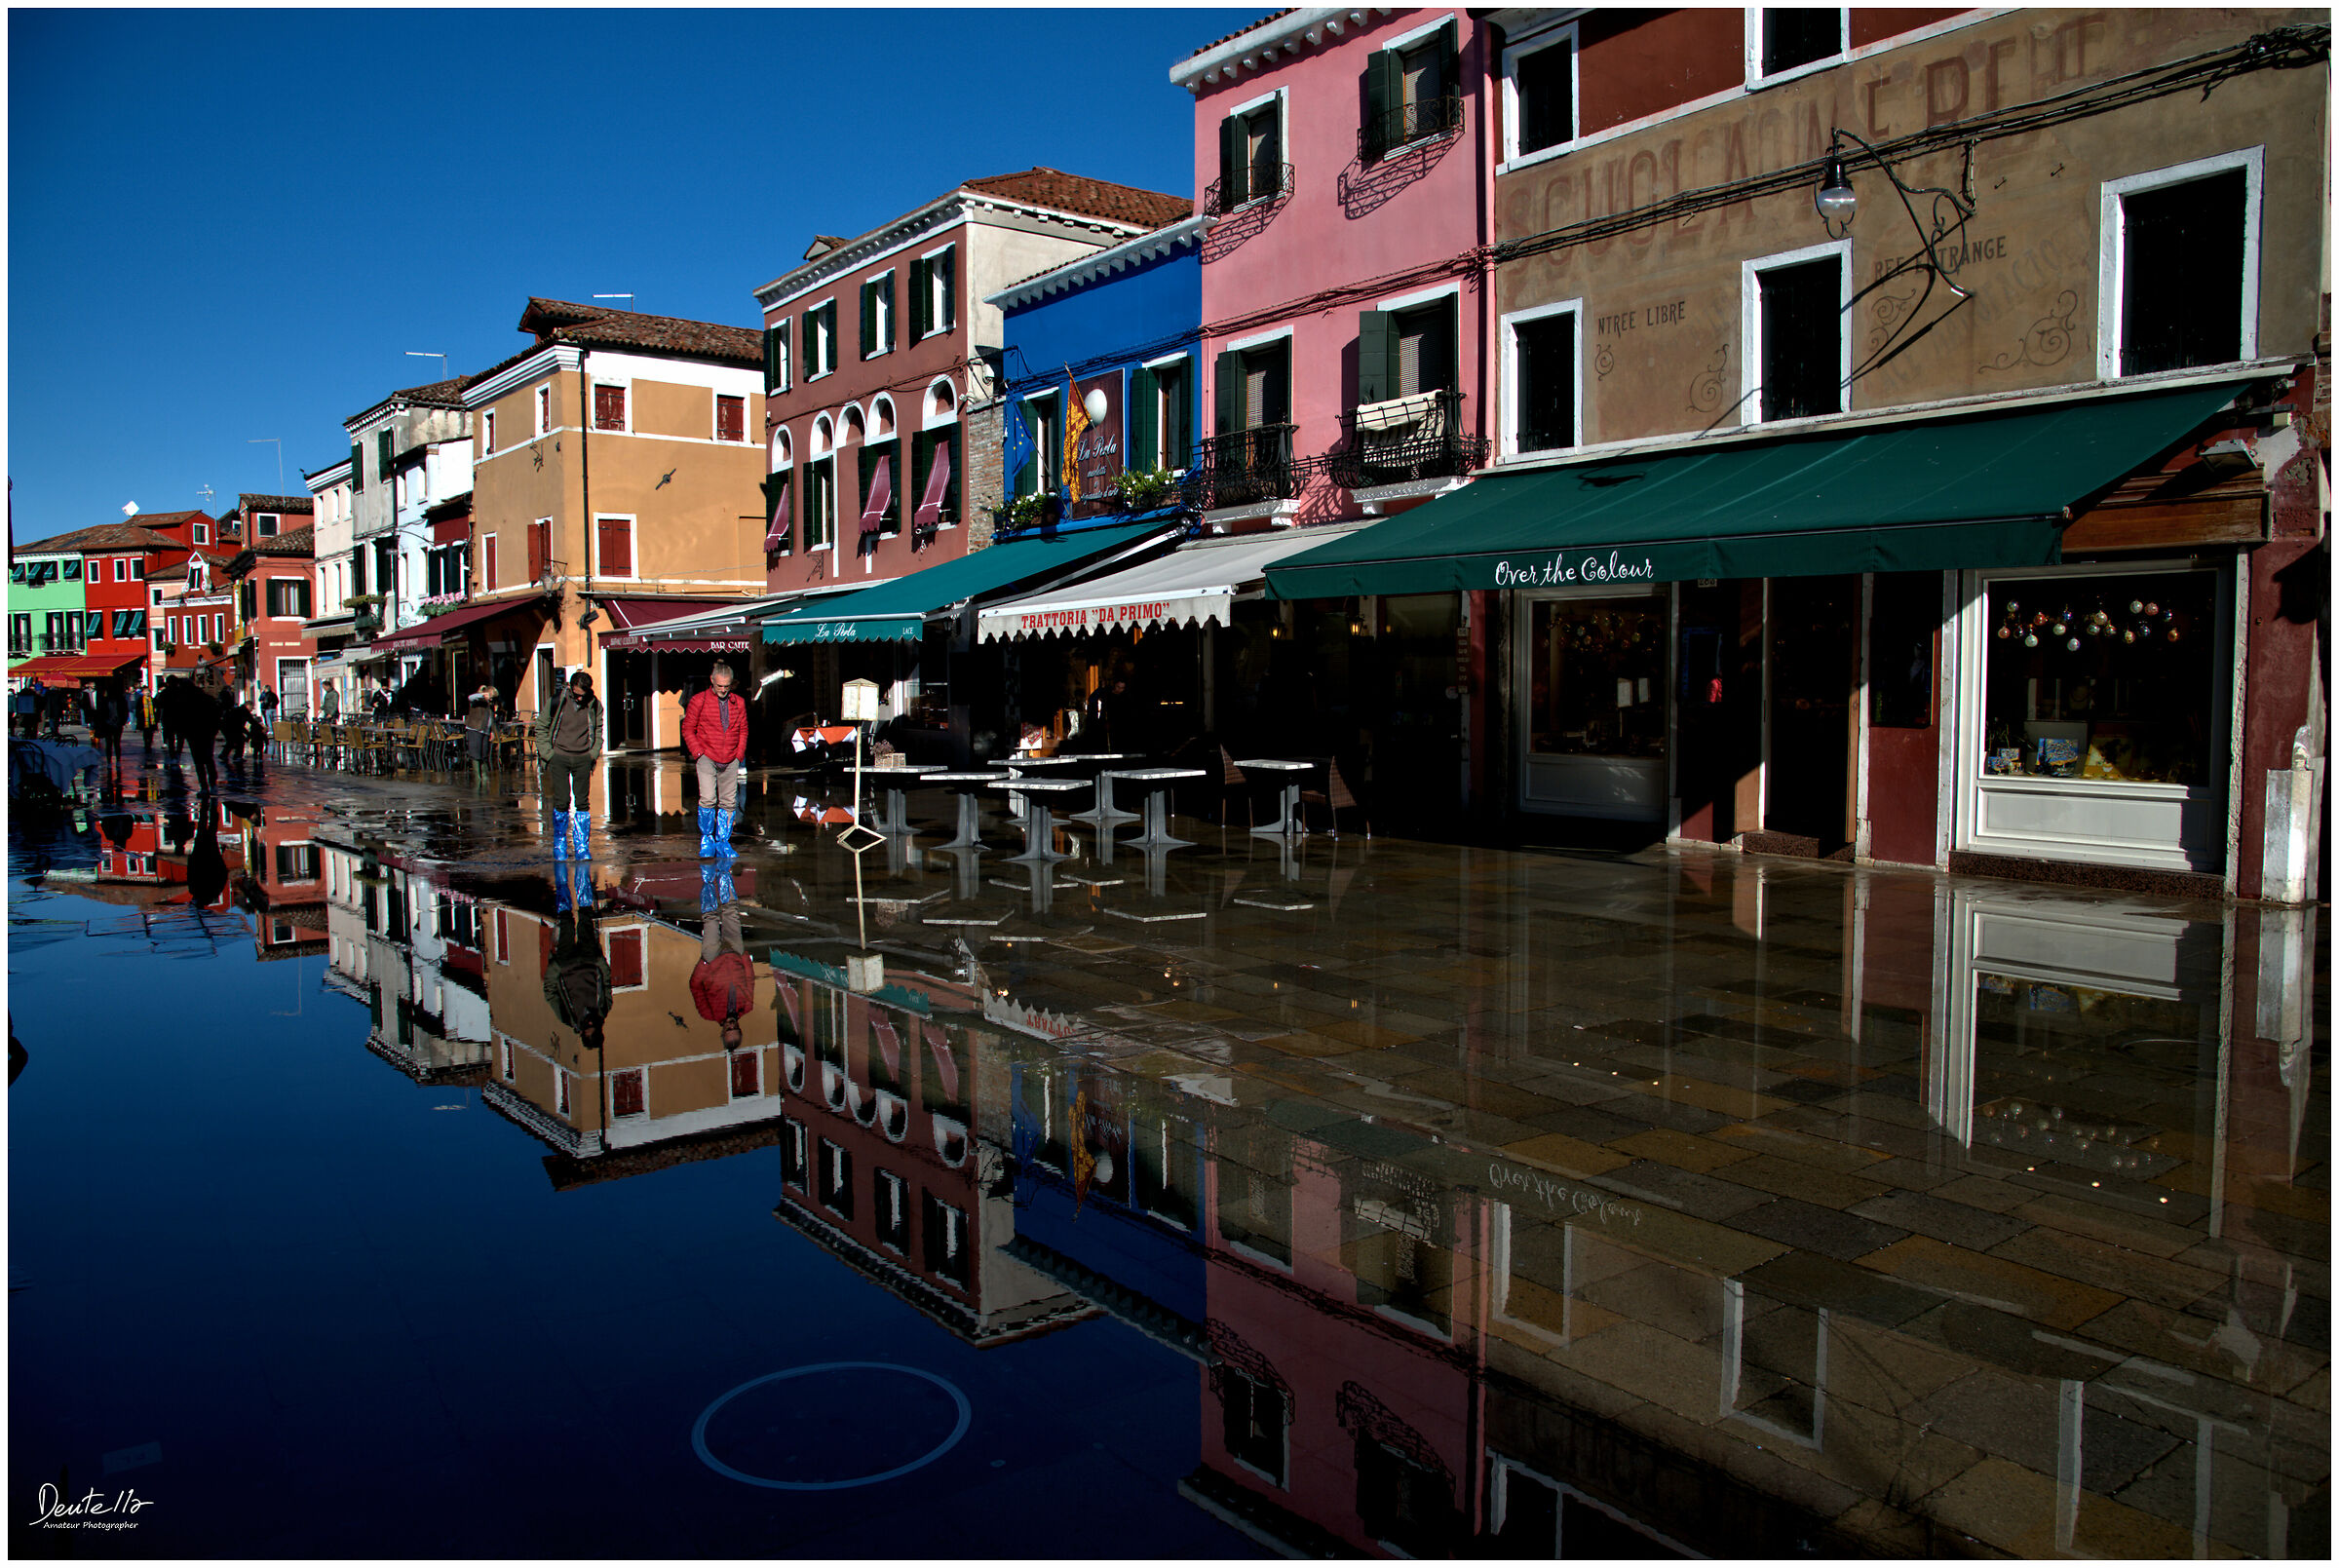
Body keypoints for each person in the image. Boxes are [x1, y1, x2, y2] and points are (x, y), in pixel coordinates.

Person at [681, 661, 750, 860]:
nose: (722, 690)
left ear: (732, 684)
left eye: (726, 686)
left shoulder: (738, 702)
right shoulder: (698, 700)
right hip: (707, 756)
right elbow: (688, 728)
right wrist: (698, 753)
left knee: (729, 802)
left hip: (731, 757)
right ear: (712, 681)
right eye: (719, 686)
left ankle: (723, 842)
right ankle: (706, 840)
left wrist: (739, 754)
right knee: (708, 799)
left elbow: (743, 730)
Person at [538, 669, 604, 859]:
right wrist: (548, 754)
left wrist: (593, 753)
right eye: (576, 695)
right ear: (570, 688)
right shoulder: (557, 701)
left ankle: (582, 847)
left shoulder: (594, 704)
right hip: (559, 756)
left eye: (583, 696)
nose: (580, 699)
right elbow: (541, 726)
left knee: (582, 802)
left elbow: (599, 728)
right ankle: (560, 845)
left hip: (583, 758)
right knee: (562, 801)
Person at [689, 864, 752, 1052]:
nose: (731, 1025)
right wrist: (745, 958)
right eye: (735, 1028)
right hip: (735, 955)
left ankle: (708, 872)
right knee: (731, 912)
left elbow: (695, 986)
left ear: (722, 1031)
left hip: (712, 960)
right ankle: (724, 870)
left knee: (710, 918)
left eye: (728, 1029)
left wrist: (705, 964)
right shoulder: (746, 1007)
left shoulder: (707, 1013)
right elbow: (750, 980)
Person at [159, 675, 221, 796]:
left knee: (199, 761)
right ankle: (213, 785)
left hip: (194, 733)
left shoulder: (183, 701)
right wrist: (214, 730)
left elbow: (180, 717)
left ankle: (204, 787)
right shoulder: (206, 698)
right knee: (208, 759)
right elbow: (216, 714)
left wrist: (183, 731)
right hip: (206, 732)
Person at [87, 679, 128, 791]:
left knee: (115, 743)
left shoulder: (118, 700)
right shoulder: (107, 701)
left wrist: (122, 721)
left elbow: (124, 712)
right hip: (109, 724)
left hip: (116, 723)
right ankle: (110, 761)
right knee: (110, 743)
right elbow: (102, 713)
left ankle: (116, 760)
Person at [465, 681, 498, 785]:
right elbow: (470, 697)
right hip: (475, 729)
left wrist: (492, 731)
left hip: (485, 731)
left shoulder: (490, 705)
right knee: (475, 753)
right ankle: (478, 777)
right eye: (491, 696)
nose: (492, 699)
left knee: (484, 753)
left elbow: (490, 719)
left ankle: (484, 775)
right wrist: (482, 695)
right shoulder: (477, 700)